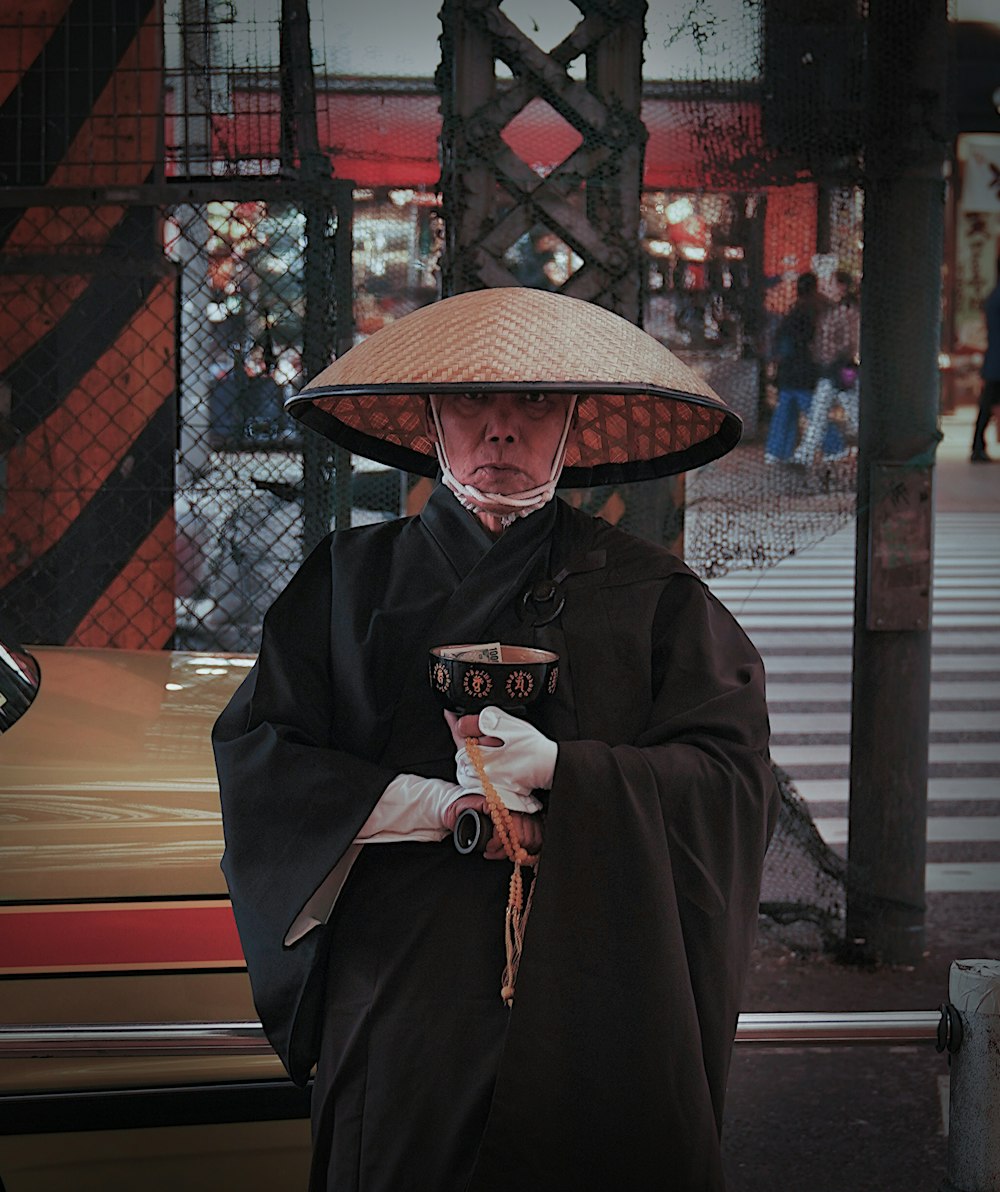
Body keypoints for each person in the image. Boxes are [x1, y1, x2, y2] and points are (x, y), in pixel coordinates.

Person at [213, 287, 779, 1192]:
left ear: (574, 428)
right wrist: (439, 806)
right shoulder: (348, 584)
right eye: (473, 404)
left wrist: (573, 777)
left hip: (598, 978)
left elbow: (730, 781)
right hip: (403, 987)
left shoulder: (654, 597)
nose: (501, 431)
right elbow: (263, 765)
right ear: (432, 421)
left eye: (534, 405)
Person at [792, 271, 861, 467]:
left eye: (831, 283)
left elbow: (847, 342)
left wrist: (827, 356)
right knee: (822, 412)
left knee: (839, 411)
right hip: (834, 369)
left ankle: (806, 453)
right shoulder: (837, 309)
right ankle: (805, 453)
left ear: (842, 287)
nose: (827, 287)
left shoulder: (845, 311)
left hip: (837, 368)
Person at [763, 271, 821, 464]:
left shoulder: (794, 312)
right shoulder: (811, 312)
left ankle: (779, 451)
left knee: (788, 411)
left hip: (791, 371)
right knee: (810, 412)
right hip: (802, 371)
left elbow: (782, 342)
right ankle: (831, 448)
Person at [971, 254, 1000, 463]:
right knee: (987, 405)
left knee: (986, 406)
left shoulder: (994, 295)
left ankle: (978, 446)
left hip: (994, 361)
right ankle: (978, 446)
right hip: (997, 361)